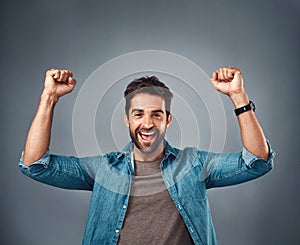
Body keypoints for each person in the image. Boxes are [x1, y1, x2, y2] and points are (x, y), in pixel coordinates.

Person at [19, 67, 275, 245]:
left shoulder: (194, 164)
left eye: (156, 115)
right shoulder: (104, 169)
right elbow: (35, 165)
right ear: (127, 119)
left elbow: (257, 162)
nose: (148, 123)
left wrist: (238, 96)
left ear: (168, 120)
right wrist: (49, 97)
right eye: (138, 114)